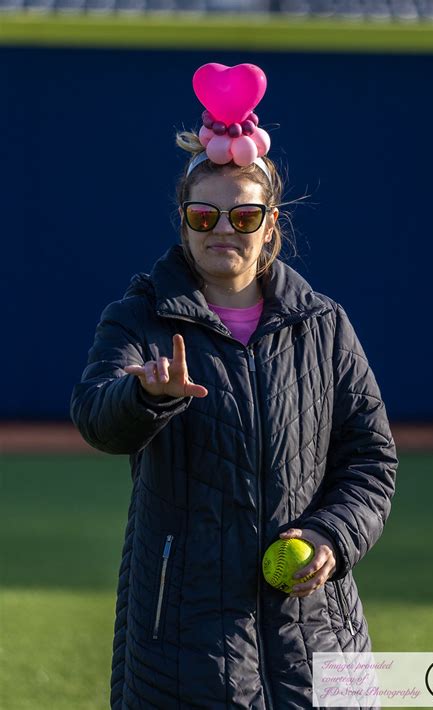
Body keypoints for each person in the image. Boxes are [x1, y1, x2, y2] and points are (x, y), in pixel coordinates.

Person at [70, 63, 398, 710]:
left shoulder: (324, 326)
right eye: (204, 215)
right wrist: (145, 398)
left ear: (270, 225)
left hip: (319, 637)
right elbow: (95, 413)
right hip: (182, 643)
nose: (223, 229)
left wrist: (331, 536)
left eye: (243, 217)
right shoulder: (140, 317)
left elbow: (371, 461)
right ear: (185, 222)